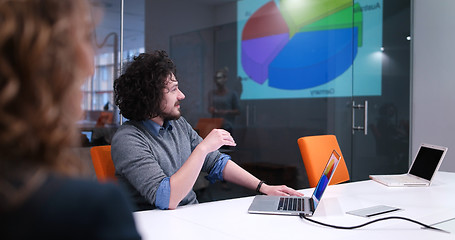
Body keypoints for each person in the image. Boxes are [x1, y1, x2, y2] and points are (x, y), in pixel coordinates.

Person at [0, 1, 141, 239]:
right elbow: (164, 193)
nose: (91, 65)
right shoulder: (90, 211)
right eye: (84, 38)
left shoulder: (180, 128)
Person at [112, 50, 303, 211]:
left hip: (188, 217)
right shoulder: (128, 139)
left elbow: (216, 162)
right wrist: (203, 149)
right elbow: (166, 199)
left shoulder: (177, 124)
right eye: (173, 90)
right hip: (156, 226)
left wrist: (263, 187)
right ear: (149, 96)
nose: (182, 95)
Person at [208, 67, 240, 133]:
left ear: (225, 79)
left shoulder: (232, 94)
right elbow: (210, 107)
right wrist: (212, 109)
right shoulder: (211, 93)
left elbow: (238, 111)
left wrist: (226, 112)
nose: (217, 80)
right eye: (216, 78)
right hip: (215, 125)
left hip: (228, 125)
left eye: (219, 78)